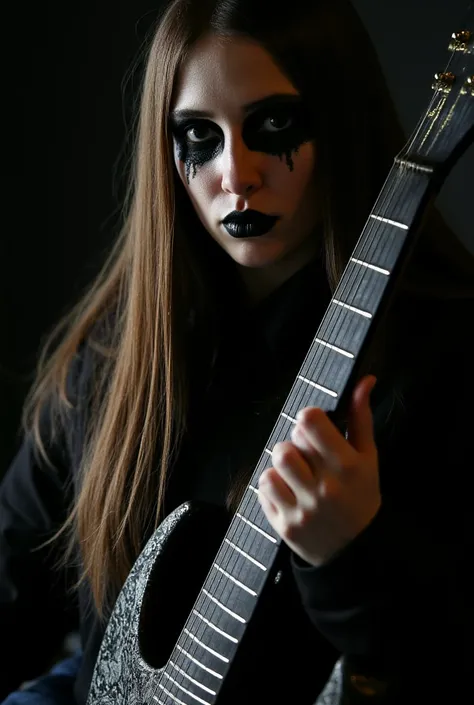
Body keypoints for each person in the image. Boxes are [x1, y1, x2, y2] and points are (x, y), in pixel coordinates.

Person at [1, 0, 473, 703]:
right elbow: (16, 590)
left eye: (273, 125)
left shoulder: (449, 350)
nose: (236, 173)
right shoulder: (113, 354)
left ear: (341, 122)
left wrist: (351, 555)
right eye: (198, 135)